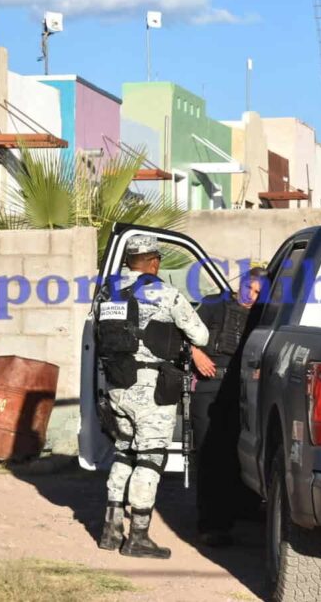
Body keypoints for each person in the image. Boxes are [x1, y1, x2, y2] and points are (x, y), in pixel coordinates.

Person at [96, 235, 209, 559]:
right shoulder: (166, 293)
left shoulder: (107, 292)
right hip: (150, 388)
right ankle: (138, 537)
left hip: (117, 384)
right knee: (150, 457)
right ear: (154, 262)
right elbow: (201, 335)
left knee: (124, 452)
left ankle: (110, 530)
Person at [190, 268, 265, 547]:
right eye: (250, 289)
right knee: (210, 455)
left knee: (238, 453)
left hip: (243, 389)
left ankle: (240, 510)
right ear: (241, 284)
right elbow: (184, 333)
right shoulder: (214, 304)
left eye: (258, 293)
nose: (252, 296)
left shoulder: (262, 315)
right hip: (210, 385)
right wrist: (196, 354)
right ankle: (211, 525)